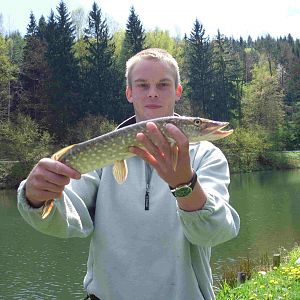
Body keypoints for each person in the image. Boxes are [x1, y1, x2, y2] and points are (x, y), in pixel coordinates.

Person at [17, 48, 240, 300]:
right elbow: (65, 219)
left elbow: (215, 233)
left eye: (163, 84)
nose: (153, 92)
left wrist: (185, 185)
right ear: (129, 93)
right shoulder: (102, 156)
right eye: (143, 85)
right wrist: (36, 197)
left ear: (178, 91)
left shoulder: (206, 157)